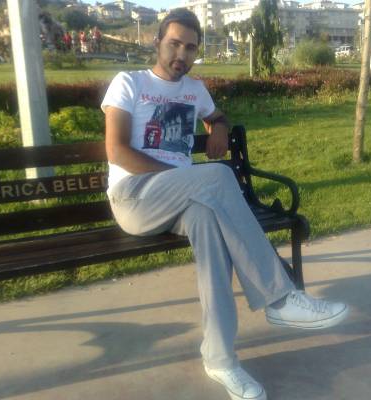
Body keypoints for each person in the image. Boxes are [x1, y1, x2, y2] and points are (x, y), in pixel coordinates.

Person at [101, 8, 349, 400]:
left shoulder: (195, 90)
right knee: (217, 175)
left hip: (184, 199)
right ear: (157, 41)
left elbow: (218, 116)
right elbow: (116, 151)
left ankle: (220, 358)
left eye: (190, 48)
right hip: (134, 197)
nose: (181, 54)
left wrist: (218, 127)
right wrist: (178, 174)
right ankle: (280, 297)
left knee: (209, 226)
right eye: (174, 43)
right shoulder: (129, 82)